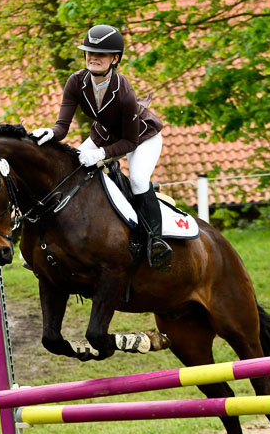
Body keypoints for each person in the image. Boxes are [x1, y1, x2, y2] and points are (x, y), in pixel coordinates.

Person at [31, 23, 172, 270]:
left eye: (101, 54)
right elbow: (62, 127)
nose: (93, 58)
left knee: (139, 180)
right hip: (105, 135)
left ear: (114, 58)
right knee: (72, 170)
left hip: (141, 136)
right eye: (89, 52)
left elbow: (129, 142)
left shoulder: (124, 90)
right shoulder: (75, 82)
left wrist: (100, 155)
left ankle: (155, 242)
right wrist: (49, 132)